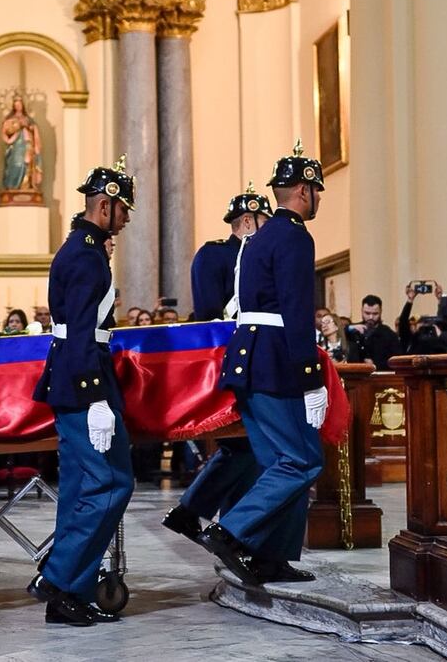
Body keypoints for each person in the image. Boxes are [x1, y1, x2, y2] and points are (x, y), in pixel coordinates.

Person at [200, 141, 328, 586]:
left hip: (248, 359)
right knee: (302, 461)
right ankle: (232, 531)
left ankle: (271, 555)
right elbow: (296, 307)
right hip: (276, 360)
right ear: (303, 191)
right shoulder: (293, 236)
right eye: (317, 191)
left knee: (279, 462)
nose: (318, 201)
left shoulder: (257, 238)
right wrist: (311, 376)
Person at [27, 157, 136, 627]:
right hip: (82, 378)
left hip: (74, 377)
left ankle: (70, 591)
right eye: (124, 209)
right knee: (111, 483)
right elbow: (79, 334)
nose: (127, 219)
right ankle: (60, 577)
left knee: (79, 489)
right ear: (105, 205)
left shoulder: (82, 249)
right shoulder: (86, 257)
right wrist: (95, 398)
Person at [164, 184, 271, 547]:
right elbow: (211, 313)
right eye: (263, 220)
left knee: (246, 447)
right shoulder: (214, 255)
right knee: (244, 445)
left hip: (252, 357)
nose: (267, 227)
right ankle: (211, 520)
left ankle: (214, 521)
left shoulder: (258, 255)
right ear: (246, 220)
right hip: (226, 358)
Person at [345, 295, 401, 370]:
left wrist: (375, 365)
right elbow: (339, 333)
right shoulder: (353, 330)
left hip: (380, 376)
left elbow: (395, 361)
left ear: (381, 312)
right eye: (367, 313)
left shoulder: (389, 334)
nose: (371, 317)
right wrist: (350, 328)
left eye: (375, 314)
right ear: (361, 311)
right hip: (354, 375)